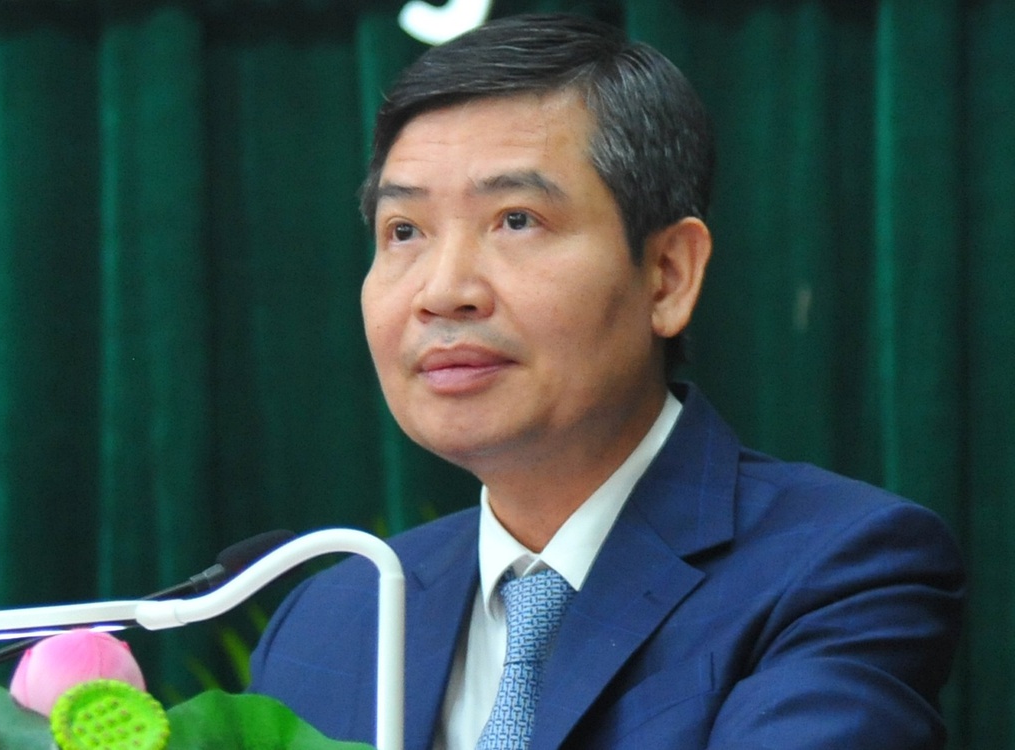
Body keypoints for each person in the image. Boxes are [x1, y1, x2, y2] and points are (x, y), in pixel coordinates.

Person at [249, 13, 965, 750]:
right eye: (404, 231)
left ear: (668, 276)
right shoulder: (331, 621)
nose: (443, 292)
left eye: (516, 220)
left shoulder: (839, 569)